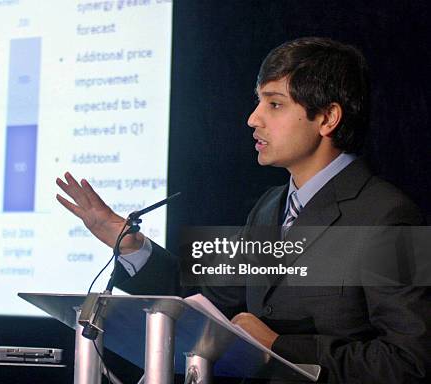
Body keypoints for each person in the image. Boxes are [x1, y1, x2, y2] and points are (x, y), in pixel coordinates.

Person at [56, 37, 430, 383]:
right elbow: (200, 301)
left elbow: (409, 360)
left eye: (275, 104)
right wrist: (130, 245)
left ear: (328, 118)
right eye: (259, 101)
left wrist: (279, 346)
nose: (253, 118)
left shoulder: (390, 217)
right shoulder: (269, 208)